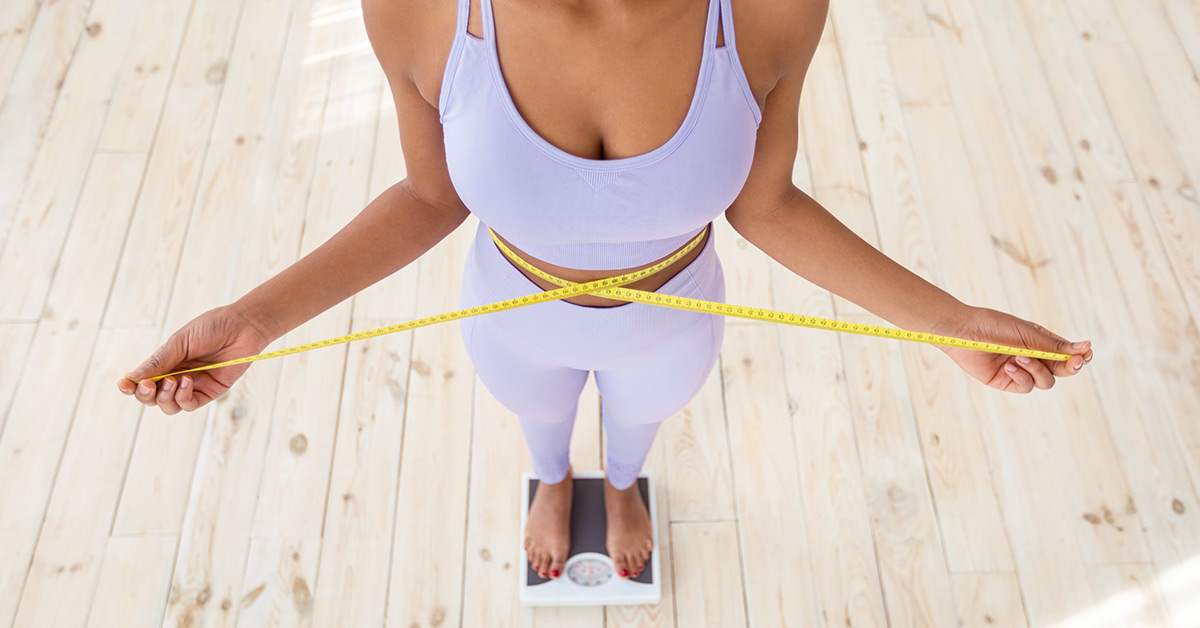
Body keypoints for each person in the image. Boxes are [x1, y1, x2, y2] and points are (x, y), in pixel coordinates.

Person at [117, 0, 1092, 585]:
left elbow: (767, 205)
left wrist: (950, 323)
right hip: (512, 308)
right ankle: (552, 482)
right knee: (540, 426)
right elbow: (429, 194)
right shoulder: (417, 6)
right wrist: (253, 321)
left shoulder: (771, 9)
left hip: (674, 317)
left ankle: (619, 489)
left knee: (636, 431)